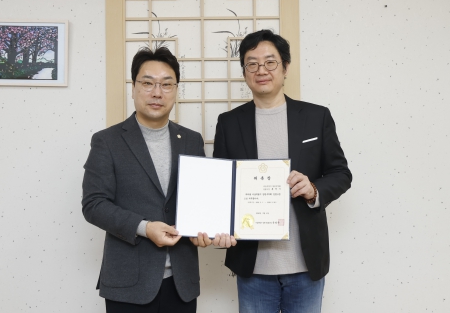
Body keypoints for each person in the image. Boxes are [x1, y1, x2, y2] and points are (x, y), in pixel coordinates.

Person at [82, 46, 232, 313]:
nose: (157, 92)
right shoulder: (107, 141)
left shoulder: (191, 139)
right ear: (133, 88)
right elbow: (94, 205)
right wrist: (144, 227)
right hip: (128, 284)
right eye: (148, 83)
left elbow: (200, 203)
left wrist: (205, 231)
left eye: (166, 84)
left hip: (182, 283)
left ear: (176, 90)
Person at [213, 30, 352, 313]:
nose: (261, 70)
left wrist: (313, 190)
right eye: (252, 63)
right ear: (244, 71)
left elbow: (340, 173)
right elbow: (220, 186)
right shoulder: (228, 123)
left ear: (285, 67)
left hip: (305, 264)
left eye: (270, 62)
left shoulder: (316, 117)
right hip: (252, 265)